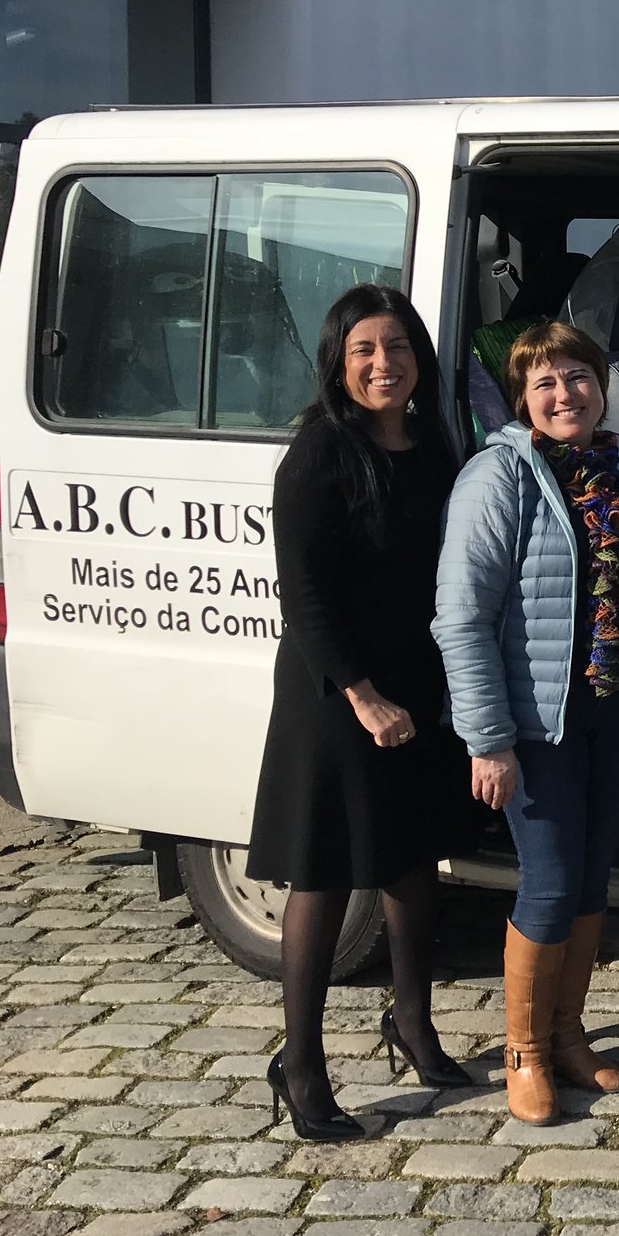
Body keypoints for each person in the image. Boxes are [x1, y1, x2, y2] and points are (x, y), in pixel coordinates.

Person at [433, 321, 619, 1124]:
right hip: (535, 722)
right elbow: (461, 616)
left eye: (577, 377)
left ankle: (569, 1034)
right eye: (544, 382)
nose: (564, 394)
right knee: (547, 883)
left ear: (600, 386)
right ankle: (524, 1051)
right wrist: (487, 739)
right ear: (523, 398)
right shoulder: (499, 475)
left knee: (589, 879)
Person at [246, 283, 478, 1141]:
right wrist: (363, 695)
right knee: (325, 875)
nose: (385, 364)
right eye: (365, 351)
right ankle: (301, 1065)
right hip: (335, 691)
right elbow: (303, 596)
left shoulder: (433, 444)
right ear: (338, 364)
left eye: (399, 347)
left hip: (417, 679)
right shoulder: (318, 452)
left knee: (412, 859)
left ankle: (412, 1022)